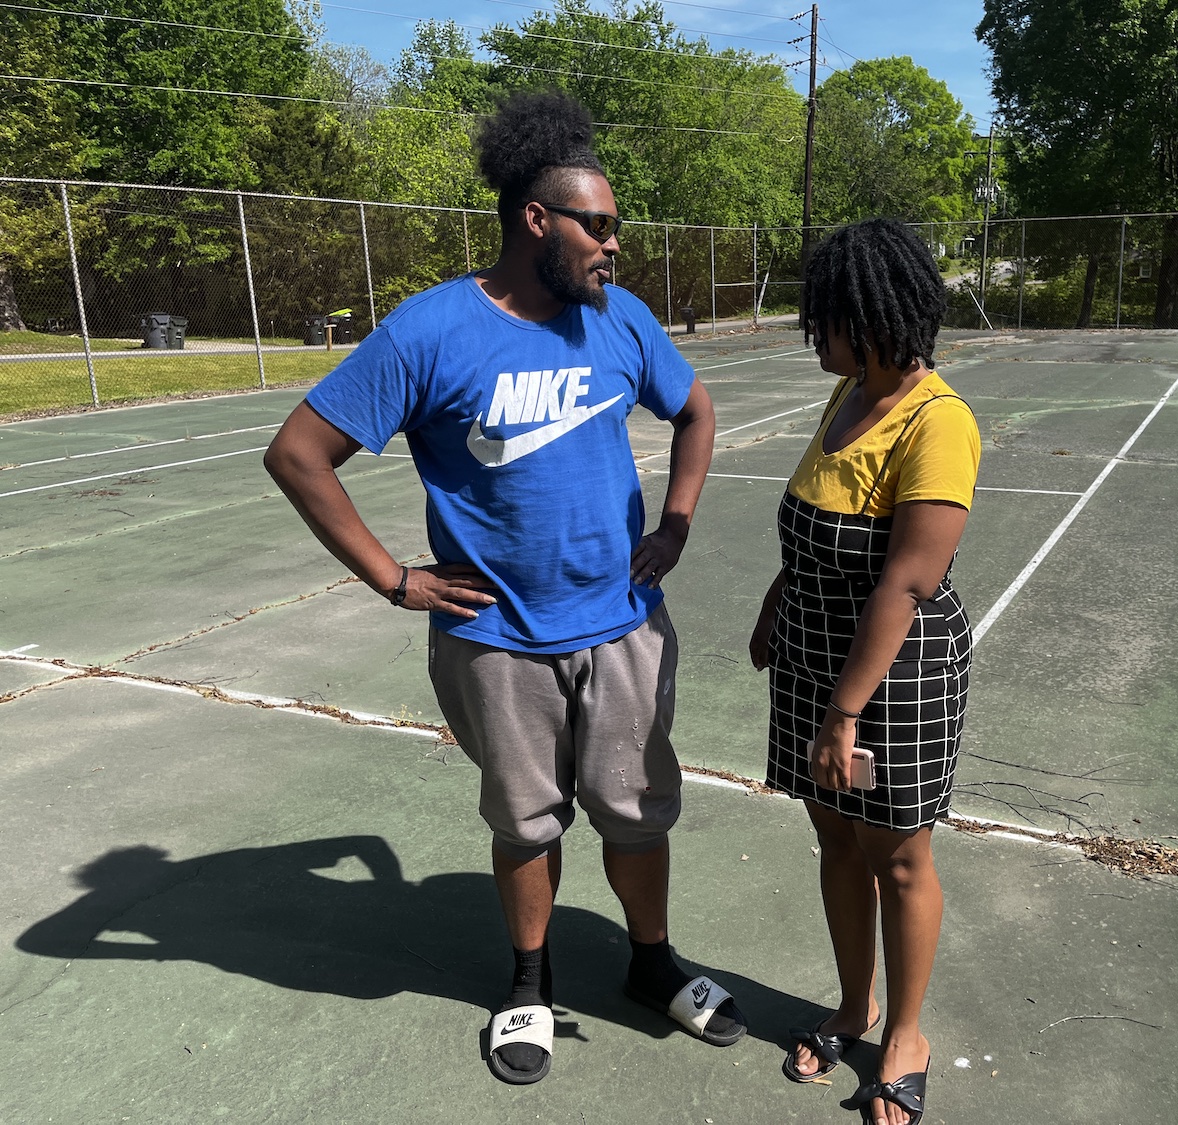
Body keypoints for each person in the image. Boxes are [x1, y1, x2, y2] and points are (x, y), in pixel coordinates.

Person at [264, 88, 746, 1086]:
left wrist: (678, 525)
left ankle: (651, 965)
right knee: (525, 822)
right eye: (600, 227)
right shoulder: (429, 333)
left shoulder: (618, 321)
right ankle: (529, 986)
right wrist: (395, 579)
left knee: (638, 810)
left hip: (622, 626)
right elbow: (300, 453)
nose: (615, 247)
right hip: (497, 639)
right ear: (538, 221)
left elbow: (696, 412)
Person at [749, 219, 979, 1125]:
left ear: (877, 318)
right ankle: (856, 1004)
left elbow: (908, 579)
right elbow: (815, 522)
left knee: (900, 858)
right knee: (836, 839)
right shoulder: (848, 392)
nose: (817, 336)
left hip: (890, 678)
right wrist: (776, 602)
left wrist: (844, 714)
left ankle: (907, 1034)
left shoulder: (938, 420)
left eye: (828, 321)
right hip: (811, 656)